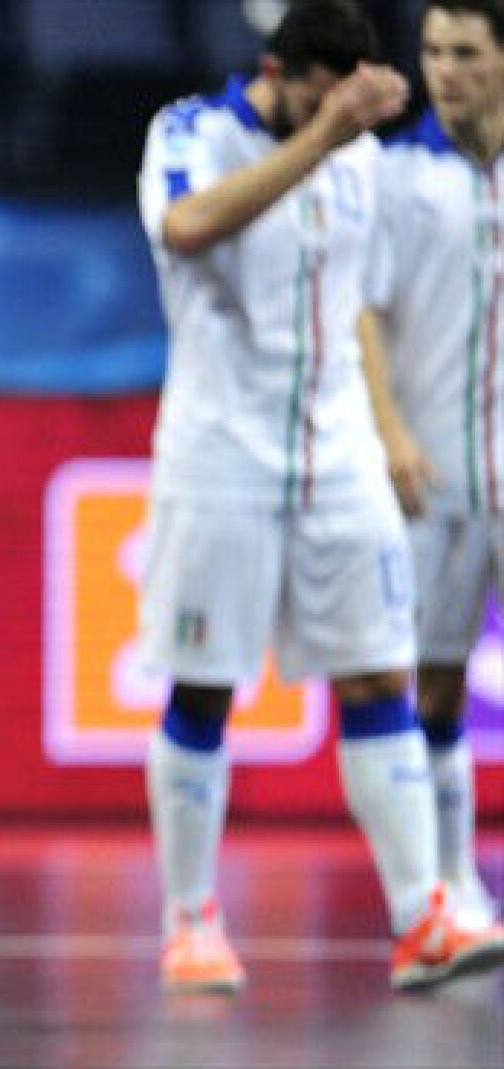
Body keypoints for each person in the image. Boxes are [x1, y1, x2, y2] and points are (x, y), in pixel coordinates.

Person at [136, 0, 504, 996]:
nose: (331, 115)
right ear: (278, 71)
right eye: (317, 96)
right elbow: (187, 224)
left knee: (384, 676)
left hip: (336, 455)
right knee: (204, 687)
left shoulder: (365, 158)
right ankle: (190, 917)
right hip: (222, 457)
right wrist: (326, 136)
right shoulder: (189, 132)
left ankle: (420, 912)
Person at [363, 0, 504, 931]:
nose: (442, 69)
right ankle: (451, 883)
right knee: (437, 680)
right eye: (430, 51)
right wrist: (391, 433)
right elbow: (360, 309)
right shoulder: (395, 175)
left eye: (464, 53)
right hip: (438, 473)